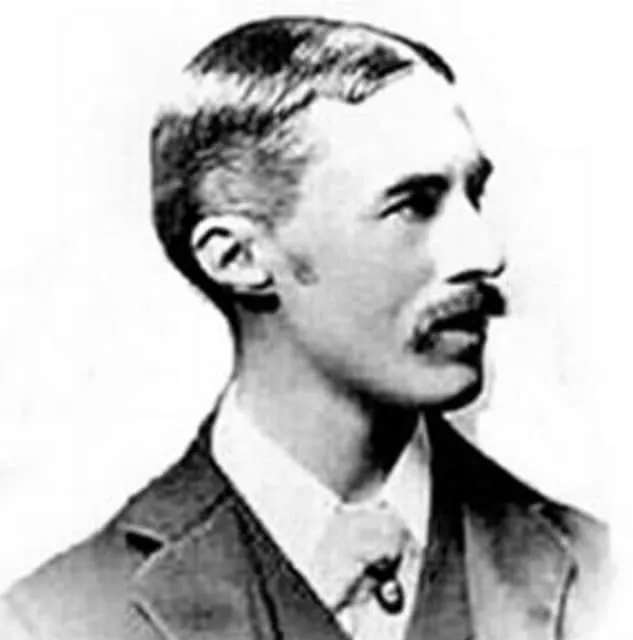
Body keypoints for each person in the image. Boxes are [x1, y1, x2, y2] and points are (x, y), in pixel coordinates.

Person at [1, 16, 609, 640]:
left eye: (473, 196)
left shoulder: (602, 572)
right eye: (413, 205)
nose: (485, 254)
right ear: (237, 258)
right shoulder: (53, 618)